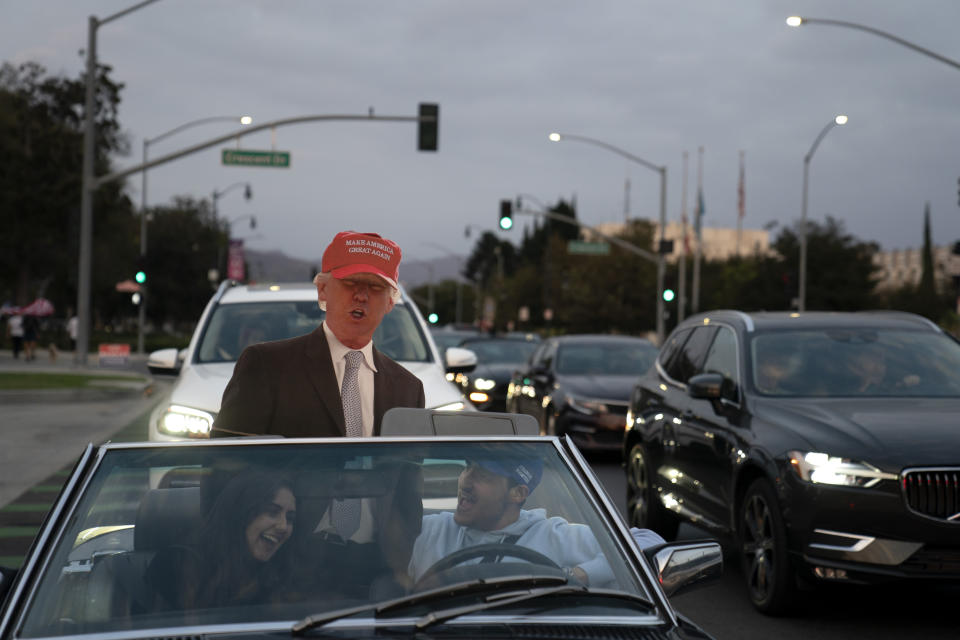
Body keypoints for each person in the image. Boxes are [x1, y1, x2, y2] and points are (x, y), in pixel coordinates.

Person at [212, 231, 425, 438]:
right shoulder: (266, 366)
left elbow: (409, 470)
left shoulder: (408, 389)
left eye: (375, 287)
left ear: (390, 302)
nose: (361, 296)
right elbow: (227, 463)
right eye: (350, 283)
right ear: (322, 289)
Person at [409, 457, 619, 588]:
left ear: (518, 493)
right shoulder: (430, 529)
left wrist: (575, 576)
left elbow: (643, 541)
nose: (466, 482)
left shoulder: (551, 535)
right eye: (468, 468)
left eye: (482, 475)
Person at [147, 471, 297, 610]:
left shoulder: (282, 574)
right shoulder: (181, 565)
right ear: (242, 513)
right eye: (271, 512)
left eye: (290, 518)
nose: (283, 527)